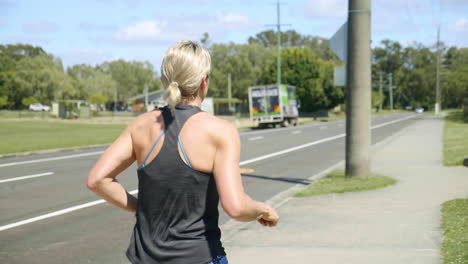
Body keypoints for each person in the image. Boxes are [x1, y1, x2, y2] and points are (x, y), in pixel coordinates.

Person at [87, 40, 279, 264]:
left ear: (164, 80)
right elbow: (236, 207)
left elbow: (97, 180)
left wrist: (142, 209)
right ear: (203, 82)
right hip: (199, 256)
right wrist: (263, 210)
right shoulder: (220, 131)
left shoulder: (141, 125)